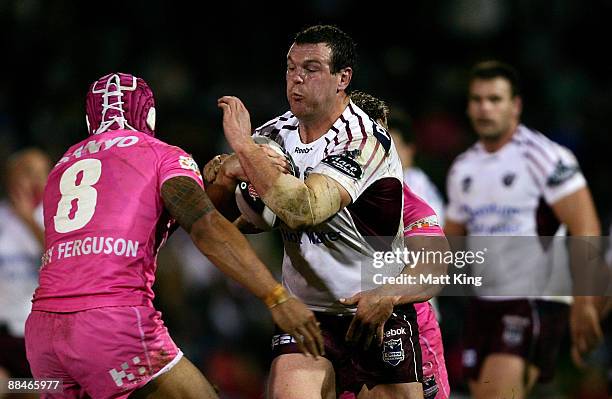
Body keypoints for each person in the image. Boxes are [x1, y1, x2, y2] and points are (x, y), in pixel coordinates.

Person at [25, 72, 323, 399]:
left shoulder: (61, 168)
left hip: (43, 336)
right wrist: (275, 297)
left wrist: (222, 183)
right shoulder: (161, 154)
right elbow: (204, 227)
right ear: (150, 115)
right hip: (111, 324)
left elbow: (147, 231)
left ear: (88, 119)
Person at [212, 24, 448, 399]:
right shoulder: (273, 136)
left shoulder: (365, 141)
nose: (297, 79)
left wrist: (242, 145)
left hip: (374, 312)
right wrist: (224, 179)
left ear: (343, 79)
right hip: (309, 316)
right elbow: (236, 220)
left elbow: (303, 209)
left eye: (311, 68)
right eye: (291, 68)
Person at [444, 60, 602, 399]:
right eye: (477, 99)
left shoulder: (545, 156)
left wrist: (586, 299)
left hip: (532, 300)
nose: (484, 108)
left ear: (515, 105)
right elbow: (447, 242)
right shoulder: (462, 168)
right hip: (483, 303)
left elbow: (585, 223)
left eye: (495, 99)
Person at [349, 90, 450, 399]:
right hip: (342, 325)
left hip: (409, 321)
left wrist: (386, 294)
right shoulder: (320, 187)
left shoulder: (411, 191)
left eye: (384, 142)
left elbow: (435, 264)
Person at [0, 148, 50, 398]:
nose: (38, 180)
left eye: (43, 173)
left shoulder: (56, 217)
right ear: (11, 177)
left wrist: (28, 220)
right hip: (4, 331)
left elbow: (57, 258)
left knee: (46, 390)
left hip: (38, 335)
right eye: (29, 172)